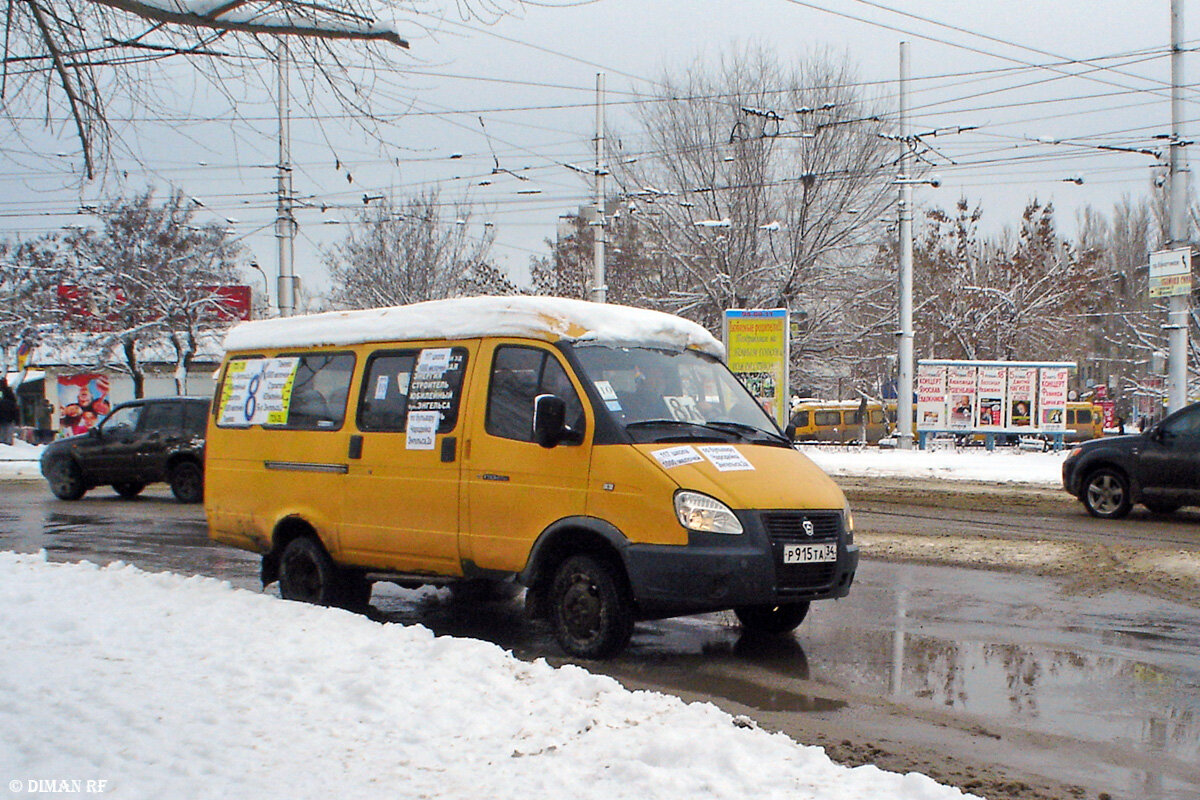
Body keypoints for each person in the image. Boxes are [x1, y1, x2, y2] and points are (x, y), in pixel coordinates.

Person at [0, 377, 18, 446]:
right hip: (9, 418)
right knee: (8, 433)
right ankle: (8, 444)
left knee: (3, 433)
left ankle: (4, 445)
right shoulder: (9, 393)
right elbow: (15, 406)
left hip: (3, 417)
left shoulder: (5, 393)